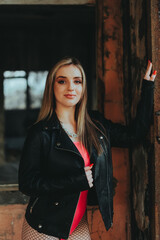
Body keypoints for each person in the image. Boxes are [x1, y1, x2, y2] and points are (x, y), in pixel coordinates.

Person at [19, 57, 156, 240]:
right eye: (62, 81)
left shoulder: (96, 124)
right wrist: (75, 181)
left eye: (77, 81)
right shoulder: (41, 133)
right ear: (52, 87)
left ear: (83, 88)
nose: (71, 87)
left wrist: (148, 88)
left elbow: (133, 135)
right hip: (44, 225)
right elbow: (27, 183)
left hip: (76, 223)